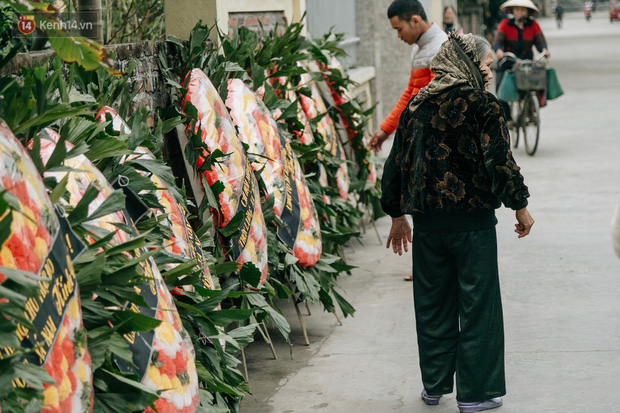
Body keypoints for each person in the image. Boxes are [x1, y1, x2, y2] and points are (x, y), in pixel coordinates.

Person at [380, 33, 534, 412]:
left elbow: (396, 165)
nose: (487, 70)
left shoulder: (416, 107)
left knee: (432, 304)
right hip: (473, 227)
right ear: (464, 63)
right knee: (478, 306)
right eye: (482, 64)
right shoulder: (483, 106)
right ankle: (475, 395)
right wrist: (520, 206)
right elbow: (500, 163)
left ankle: (433, 387)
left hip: (429, 227)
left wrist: (397, 213)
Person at [368, 0, 447, 153]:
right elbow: (410, 93)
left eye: (399, 29)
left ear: (415, 20)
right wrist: (386, 129)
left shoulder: (440, 47)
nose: (398, 35)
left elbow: (437, 102)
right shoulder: (419, 48)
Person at [493, 0, 550, 123]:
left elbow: (540, 41)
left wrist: (544, 50)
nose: (520, 12)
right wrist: (498, 51)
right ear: (512, 10)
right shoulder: (505, 24)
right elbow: (498, 42)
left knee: (537, 84)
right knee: (499, 89)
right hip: (508, 63)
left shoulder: (533, 25)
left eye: (523, 9)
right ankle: (508, 118)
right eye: (517, 9)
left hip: (526, 64)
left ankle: (529, 109)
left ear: (528, 12)